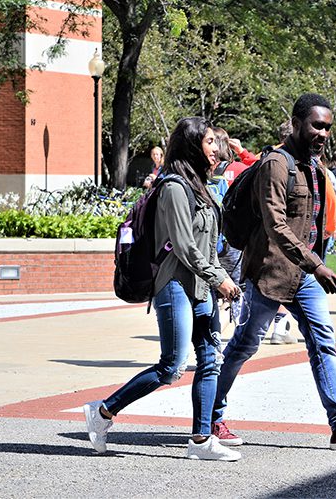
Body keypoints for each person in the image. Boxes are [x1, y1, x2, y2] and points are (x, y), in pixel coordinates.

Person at [210, 93, 336, 450]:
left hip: (304, 277)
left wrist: (316, 264)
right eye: (316, 126)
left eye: (327, 128)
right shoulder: (276, 164)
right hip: (268, 273)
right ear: (296, 123)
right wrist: (318, 264)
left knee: (323, 343)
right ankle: (211, 416)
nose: (323, 133)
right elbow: (276, 224)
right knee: (244, 345)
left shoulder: (316, 167)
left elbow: (314, 224)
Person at [83, 117, 242, 461]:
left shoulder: (202, 186)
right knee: (171, 366)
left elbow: (209, 245)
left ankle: (201, 441)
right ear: (192, 145)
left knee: (211, 360)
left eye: (218, 142)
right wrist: (220, 279)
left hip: (201, 287)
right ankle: (103, 412)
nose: (218, 148)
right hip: (173, 285)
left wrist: (218, 281)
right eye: (211, 142)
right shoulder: (173, 187)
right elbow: (184, 246)